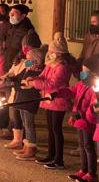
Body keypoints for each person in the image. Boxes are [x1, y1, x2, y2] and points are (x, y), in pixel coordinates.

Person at [25, 32, 74, 170]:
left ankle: (59, 159)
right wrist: (33, 79)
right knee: (50, 129)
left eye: (52, 52)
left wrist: (35, 84)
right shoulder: (50, 64)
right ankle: (51, 155)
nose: (50, 54)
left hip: (58, 100)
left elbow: (53, 83)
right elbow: (42, 76)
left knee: (56, 130)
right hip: (48, 100)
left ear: (59, 53)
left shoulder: (62, 67)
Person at [5, 34, 46, 161]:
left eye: (29, 60)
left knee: (29, 124)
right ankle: (26, 144)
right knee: (24, 122)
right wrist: (10, 79)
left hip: (29, 101)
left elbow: (30, 85)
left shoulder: (37, 73)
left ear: (36, 61)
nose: (26, 62)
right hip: (22, 100)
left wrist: (21, 83)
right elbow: (19, 78)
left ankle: (31, 147)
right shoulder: (28, 70)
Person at [66, 65, 97, 182]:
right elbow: (71, 91)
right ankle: (83, 170)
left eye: (86, 71)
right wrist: (59, 92)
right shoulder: (82, 84)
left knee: (88, 146)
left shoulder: (95, 87)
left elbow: (93, 105)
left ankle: (91, 173)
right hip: (79, 120)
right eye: (82, 71)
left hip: (88, 121)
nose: (83, 73)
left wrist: (82, 114)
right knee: (82, 145)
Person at [3, 4, 35, 74]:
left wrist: (22, 68)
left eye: (15, 13)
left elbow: (33, 58)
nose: (11, 15)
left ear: (23, 16)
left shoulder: (29, 33)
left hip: (19, 71)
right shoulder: (10, 28)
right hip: (7, 66)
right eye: (10, 13)